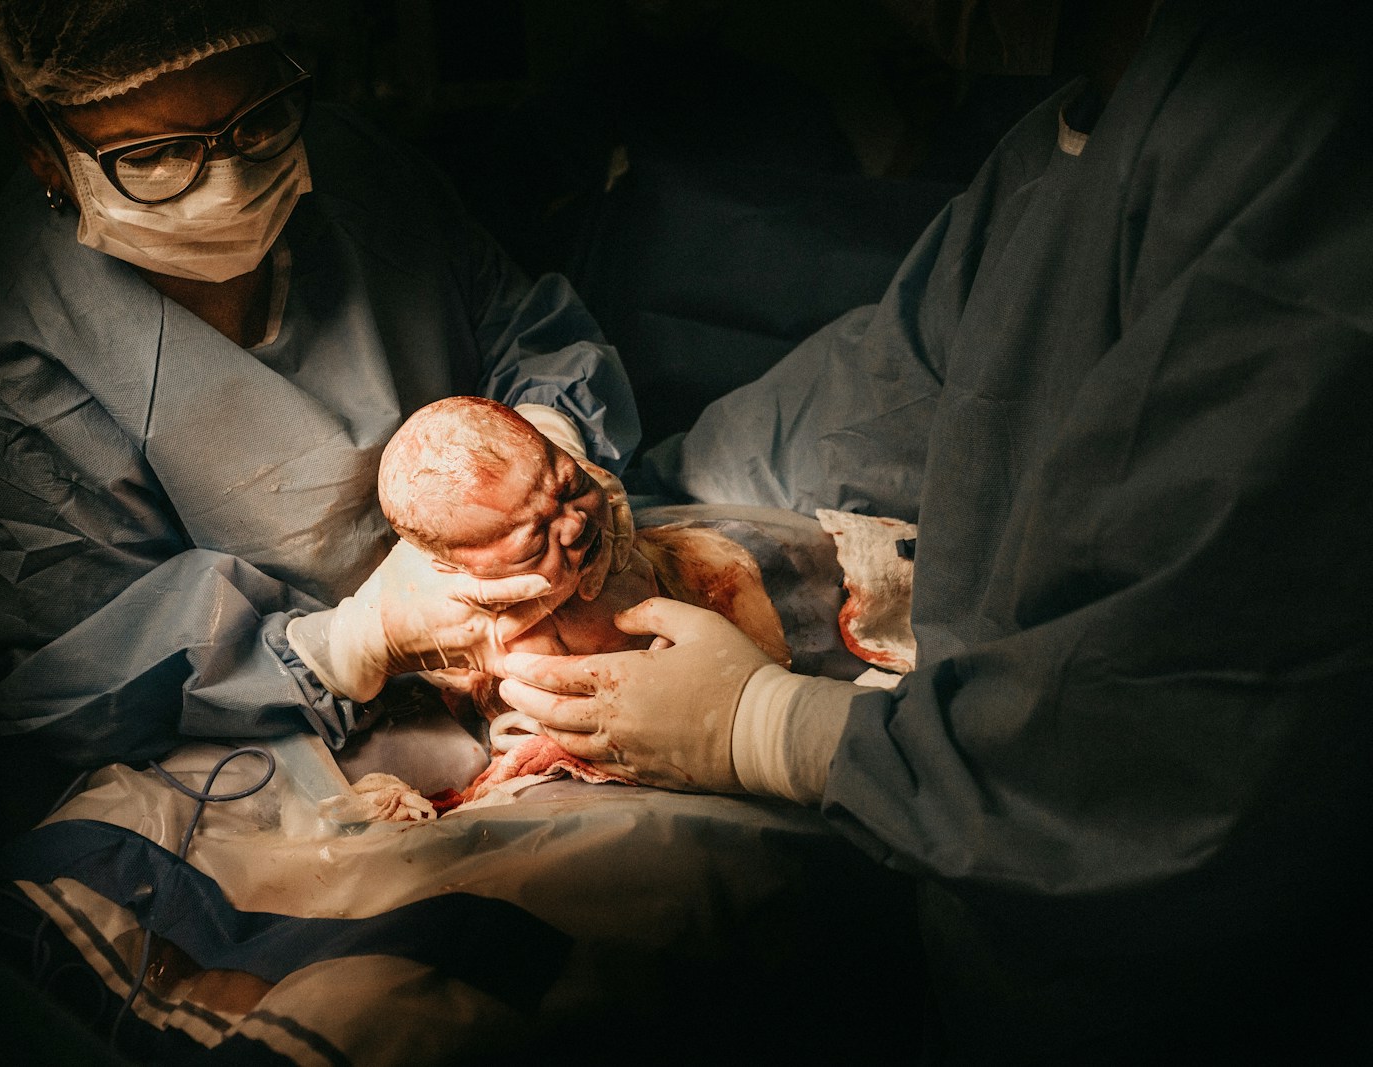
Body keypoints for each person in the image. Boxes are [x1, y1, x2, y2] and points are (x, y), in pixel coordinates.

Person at [498, 0, 1373, 1060]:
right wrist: (602, 497)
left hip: (1203, 979)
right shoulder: (1071, 137)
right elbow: (884, 393)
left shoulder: (1304, 143)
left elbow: (1176, 735)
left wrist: (766, 725)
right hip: (993, 949)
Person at [0, 0, 639, 828]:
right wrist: (346, 644)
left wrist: (550, 446)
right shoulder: (13, 366)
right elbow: (53, 700)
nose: (230, 179)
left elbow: (528, 335)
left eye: (257, 123)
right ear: (38, 140)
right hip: (259, 765)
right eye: (158, 156)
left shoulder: (359, 174)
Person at [326, 394, 792, 755]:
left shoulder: (625, 538)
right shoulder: (483, 637)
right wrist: (363, 648)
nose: (575, 524)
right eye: (533, 540)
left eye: (570, 485)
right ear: (455, 570)